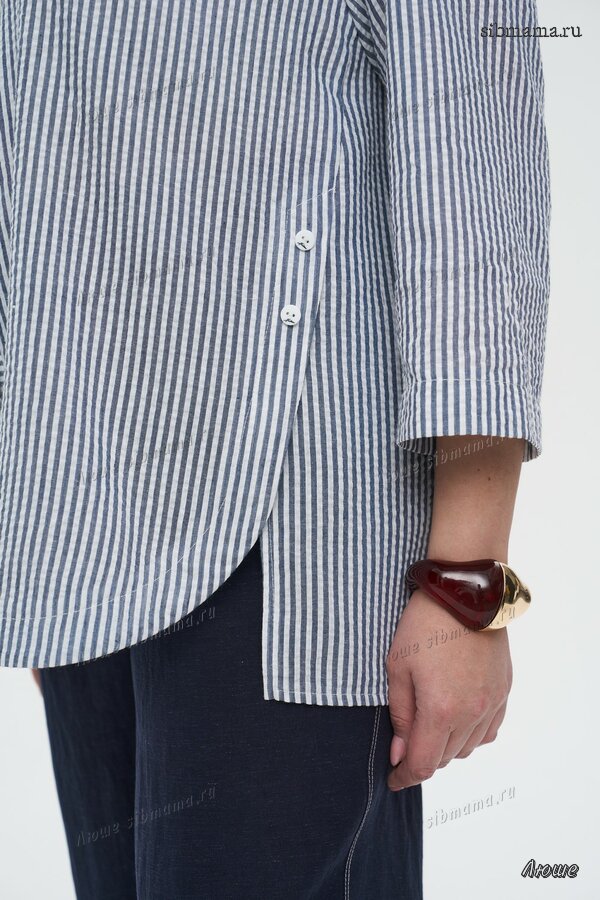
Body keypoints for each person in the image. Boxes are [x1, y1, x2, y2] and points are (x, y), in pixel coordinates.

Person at [0, 0, 550, 897]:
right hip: (82, 508)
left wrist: (469, 579)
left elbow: (471, 173)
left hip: (288, 534)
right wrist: (40, 530)